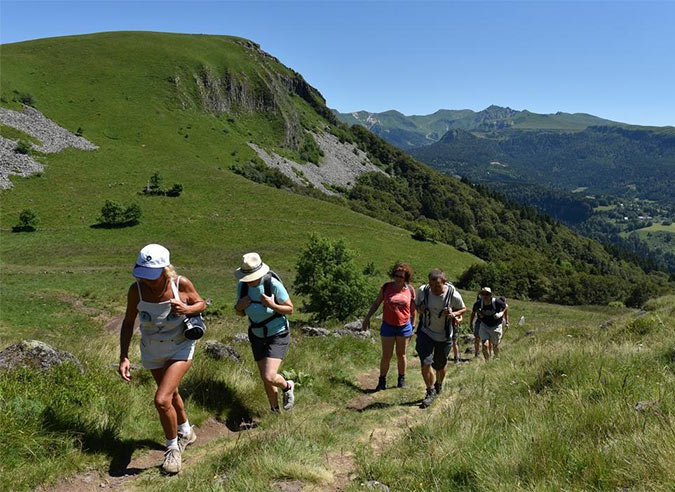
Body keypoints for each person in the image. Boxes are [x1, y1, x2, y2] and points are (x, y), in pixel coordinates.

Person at [119, 244, 206, 474]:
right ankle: (186, 431)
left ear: (165, 269)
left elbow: (201, 304)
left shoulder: (181, 284)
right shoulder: (135, 290)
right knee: (171, 394)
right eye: (143, 274)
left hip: (180, 347)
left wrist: (186, 310)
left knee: (161, 399)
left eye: (152, 275)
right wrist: (124, 356)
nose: (146, 280)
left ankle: (172, 450)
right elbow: (128, 322)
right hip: (152, 349)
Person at [234, 253, 295, 412]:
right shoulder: (243, 286)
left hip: (277, 334)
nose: (249, 281)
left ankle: (287, 386)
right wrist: (239, 307)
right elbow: (240, 312)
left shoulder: (272, 284)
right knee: (265, 379)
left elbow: (290, 309)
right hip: (256, 334)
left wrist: (272, 305)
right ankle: (275, 411)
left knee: (269, 376)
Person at [415, 269, 466, 408]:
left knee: (440, 365)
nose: (434, 289)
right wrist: (420, 309)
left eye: (437, 286)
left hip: (444, 335)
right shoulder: (423, 291)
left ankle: (439, 384)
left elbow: (463, 309)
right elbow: (415, 305)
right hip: (426, 331)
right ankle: (430, 391)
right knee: (425, 362)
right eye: (431, 285)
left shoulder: (453, 294)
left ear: (444, 283)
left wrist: (453, 313)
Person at [363, 262, 416, 391]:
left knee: (401, 355)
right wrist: (367, 317)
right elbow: (376, 303)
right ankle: (382, 381)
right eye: (396, 275)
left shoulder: (410, 290)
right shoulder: (386, 287)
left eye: (401, 276)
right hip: (388, 325)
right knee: (386, 355)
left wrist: (413, 325)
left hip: (404, 326)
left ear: (406, 278)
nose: (398, 278)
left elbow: (413, 310)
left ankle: (401, 380)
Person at [473, 287, 507, 361]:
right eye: (483, 294)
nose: (485, 296)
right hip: (484, 325)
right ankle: (487, 362)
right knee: (485, 345)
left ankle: (496, 357)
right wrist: (479, 313)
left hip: (496, 326)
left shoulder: (497, 302)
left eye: (487, 294)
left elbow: (505, 307)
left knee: (495, 345)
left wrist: (501, 314)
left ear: (490, 295)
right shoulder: (479, 303)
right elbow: (474, 309)